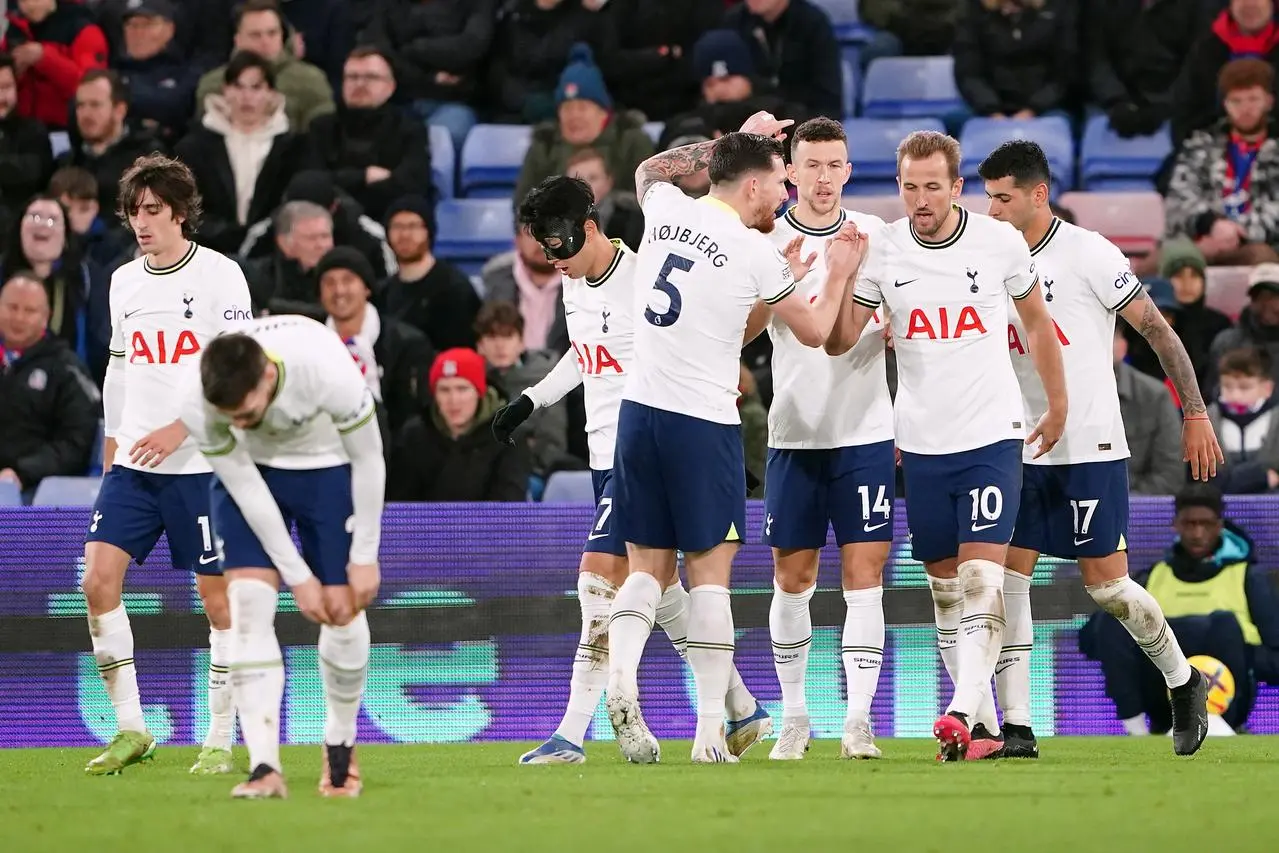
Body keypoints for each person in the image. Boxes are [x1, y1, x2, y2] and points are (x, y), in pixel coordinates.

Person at [602, 110, 869, 764]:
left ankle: (619, 681)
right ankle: (706, 735)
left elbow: (651, 167)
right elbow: (813, 331)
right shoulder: (756, 250)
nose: (785, 193)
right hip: (702, 423)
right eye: (779, 180)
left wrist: (726, 142)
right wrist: (835, 271)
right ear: (752, 187)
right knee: (711, 580)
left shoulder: (663, 207)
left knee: (645, 571)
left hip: (637, 413)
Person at [492, 175, 768, 764]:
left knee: (597, 583)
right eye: (544, 250)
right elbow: (585, 350)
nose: (554, 259)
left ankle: (575, 731)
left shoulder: (644, 277)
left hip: (640, 450)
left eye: (561, 244)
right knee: (661, 589)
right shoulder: (575, 282)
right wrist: (534, 399)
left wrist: (711, 443)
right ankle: (743, 707)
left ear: (590, 227)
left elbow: (695, 348)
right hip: (601, 457)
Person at [823, 130, 1069, 762]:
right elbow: (839, 341)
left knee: (983, 576)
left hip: (991, 434)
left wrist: (1056, 404)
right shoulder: (881, 247)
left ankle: (959, 708)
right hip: (921, 444)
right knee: (945, 591)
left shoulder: (998, 242)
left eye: (934, 186)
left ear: (957, 188)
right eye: (910, 186)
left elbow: (1037, 324)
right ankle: (982, 730)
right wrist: (843, 273)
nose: (921, 199)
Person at [981, 139, 1223, 758]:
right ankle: (1018, 726)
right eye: (987, 198)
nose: (992, 210)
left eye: (1003, 198)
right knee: (1009, 580)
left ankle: (1182, 678)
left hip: (1090, 442)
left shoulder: (1089, 253)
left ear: (1038, 194)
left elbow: (1157, 331)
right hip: (1015, 442)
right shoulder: (984, 255)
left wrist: (1194, 411)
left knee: (1107, 589)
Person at [82, 153, 253, 776]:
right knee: (97, 582)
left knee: (218, 604)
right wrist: (112, 439)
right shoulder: (122, 280)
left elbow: (238, 371)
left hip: (202, 464)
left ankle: (217, 737)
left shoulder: (221, 277)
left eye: (153, 210)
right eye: (133, 211)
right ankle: (133, 730)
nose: (141, 222)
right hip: (134, 465)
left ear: (181, 212)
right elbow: (120, 365)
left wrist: (184, 425)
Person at [739, 116, 892, 761]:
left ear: (848, 171)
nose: (824, 178)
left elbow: (898, 330)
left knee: (865, 578)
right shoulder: (765, 239)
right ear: (790, 172)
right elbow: (739, 331)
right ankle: (797, 716)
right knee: (791, 578)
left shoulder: (878, 239)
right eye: (812, 165)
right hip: (794, 433)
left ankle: (858, 721)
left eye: (836, 165)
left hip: (865, 435)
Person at [181, 316, 384, 799]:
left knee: (341, 610)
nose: (240, 424)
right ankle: (264, 768)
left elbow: (369, 458)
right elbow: (247, 489)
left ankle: (339, 746)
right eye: (230, 417)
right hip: (254, 474)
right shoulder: (196, 400)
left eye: (247, 415)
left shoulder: (328, 369)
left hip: (328, 468)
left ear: (268, 378)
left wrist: (365, 555)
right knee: (247, 607)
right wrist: (296, 575)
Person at [1081, 483, 1279, 733]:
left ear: (1219, 525)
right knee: (1115, 618)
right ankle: (1136, 730)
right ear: (1176, 524)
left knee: (1223, 626)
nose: (1197, 533)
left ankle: (1218, 724)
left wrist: (1243, 652)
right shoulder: (1154, 577)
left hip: (1226, 696)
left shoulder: (1248, 578)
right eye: (1190, 524)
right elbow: (1093, 639)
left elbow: (1275, 659)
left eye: (1205, 524)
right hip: (1161, 699)